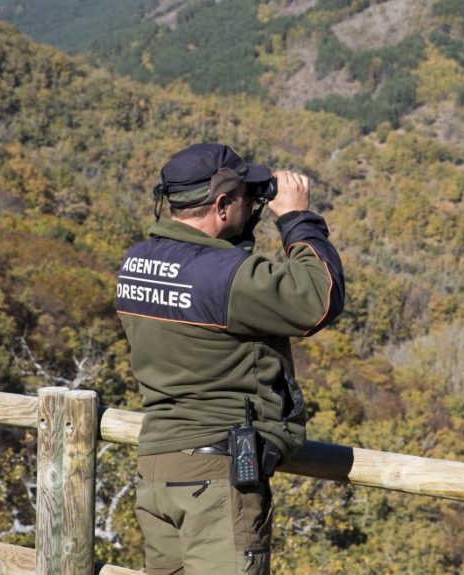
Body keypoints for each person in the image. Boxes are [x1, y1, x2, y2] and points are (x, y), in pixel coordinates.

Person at [115, 143, 345, 574]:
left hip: (157, 472)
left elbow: (203, 271)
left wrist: (243, 218)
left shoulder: (135, 262)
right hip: (215, 479)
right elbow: (320, 298)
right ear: (221, 204)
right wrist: (296, 218)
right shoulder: (227, 278)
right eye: (244, 197)